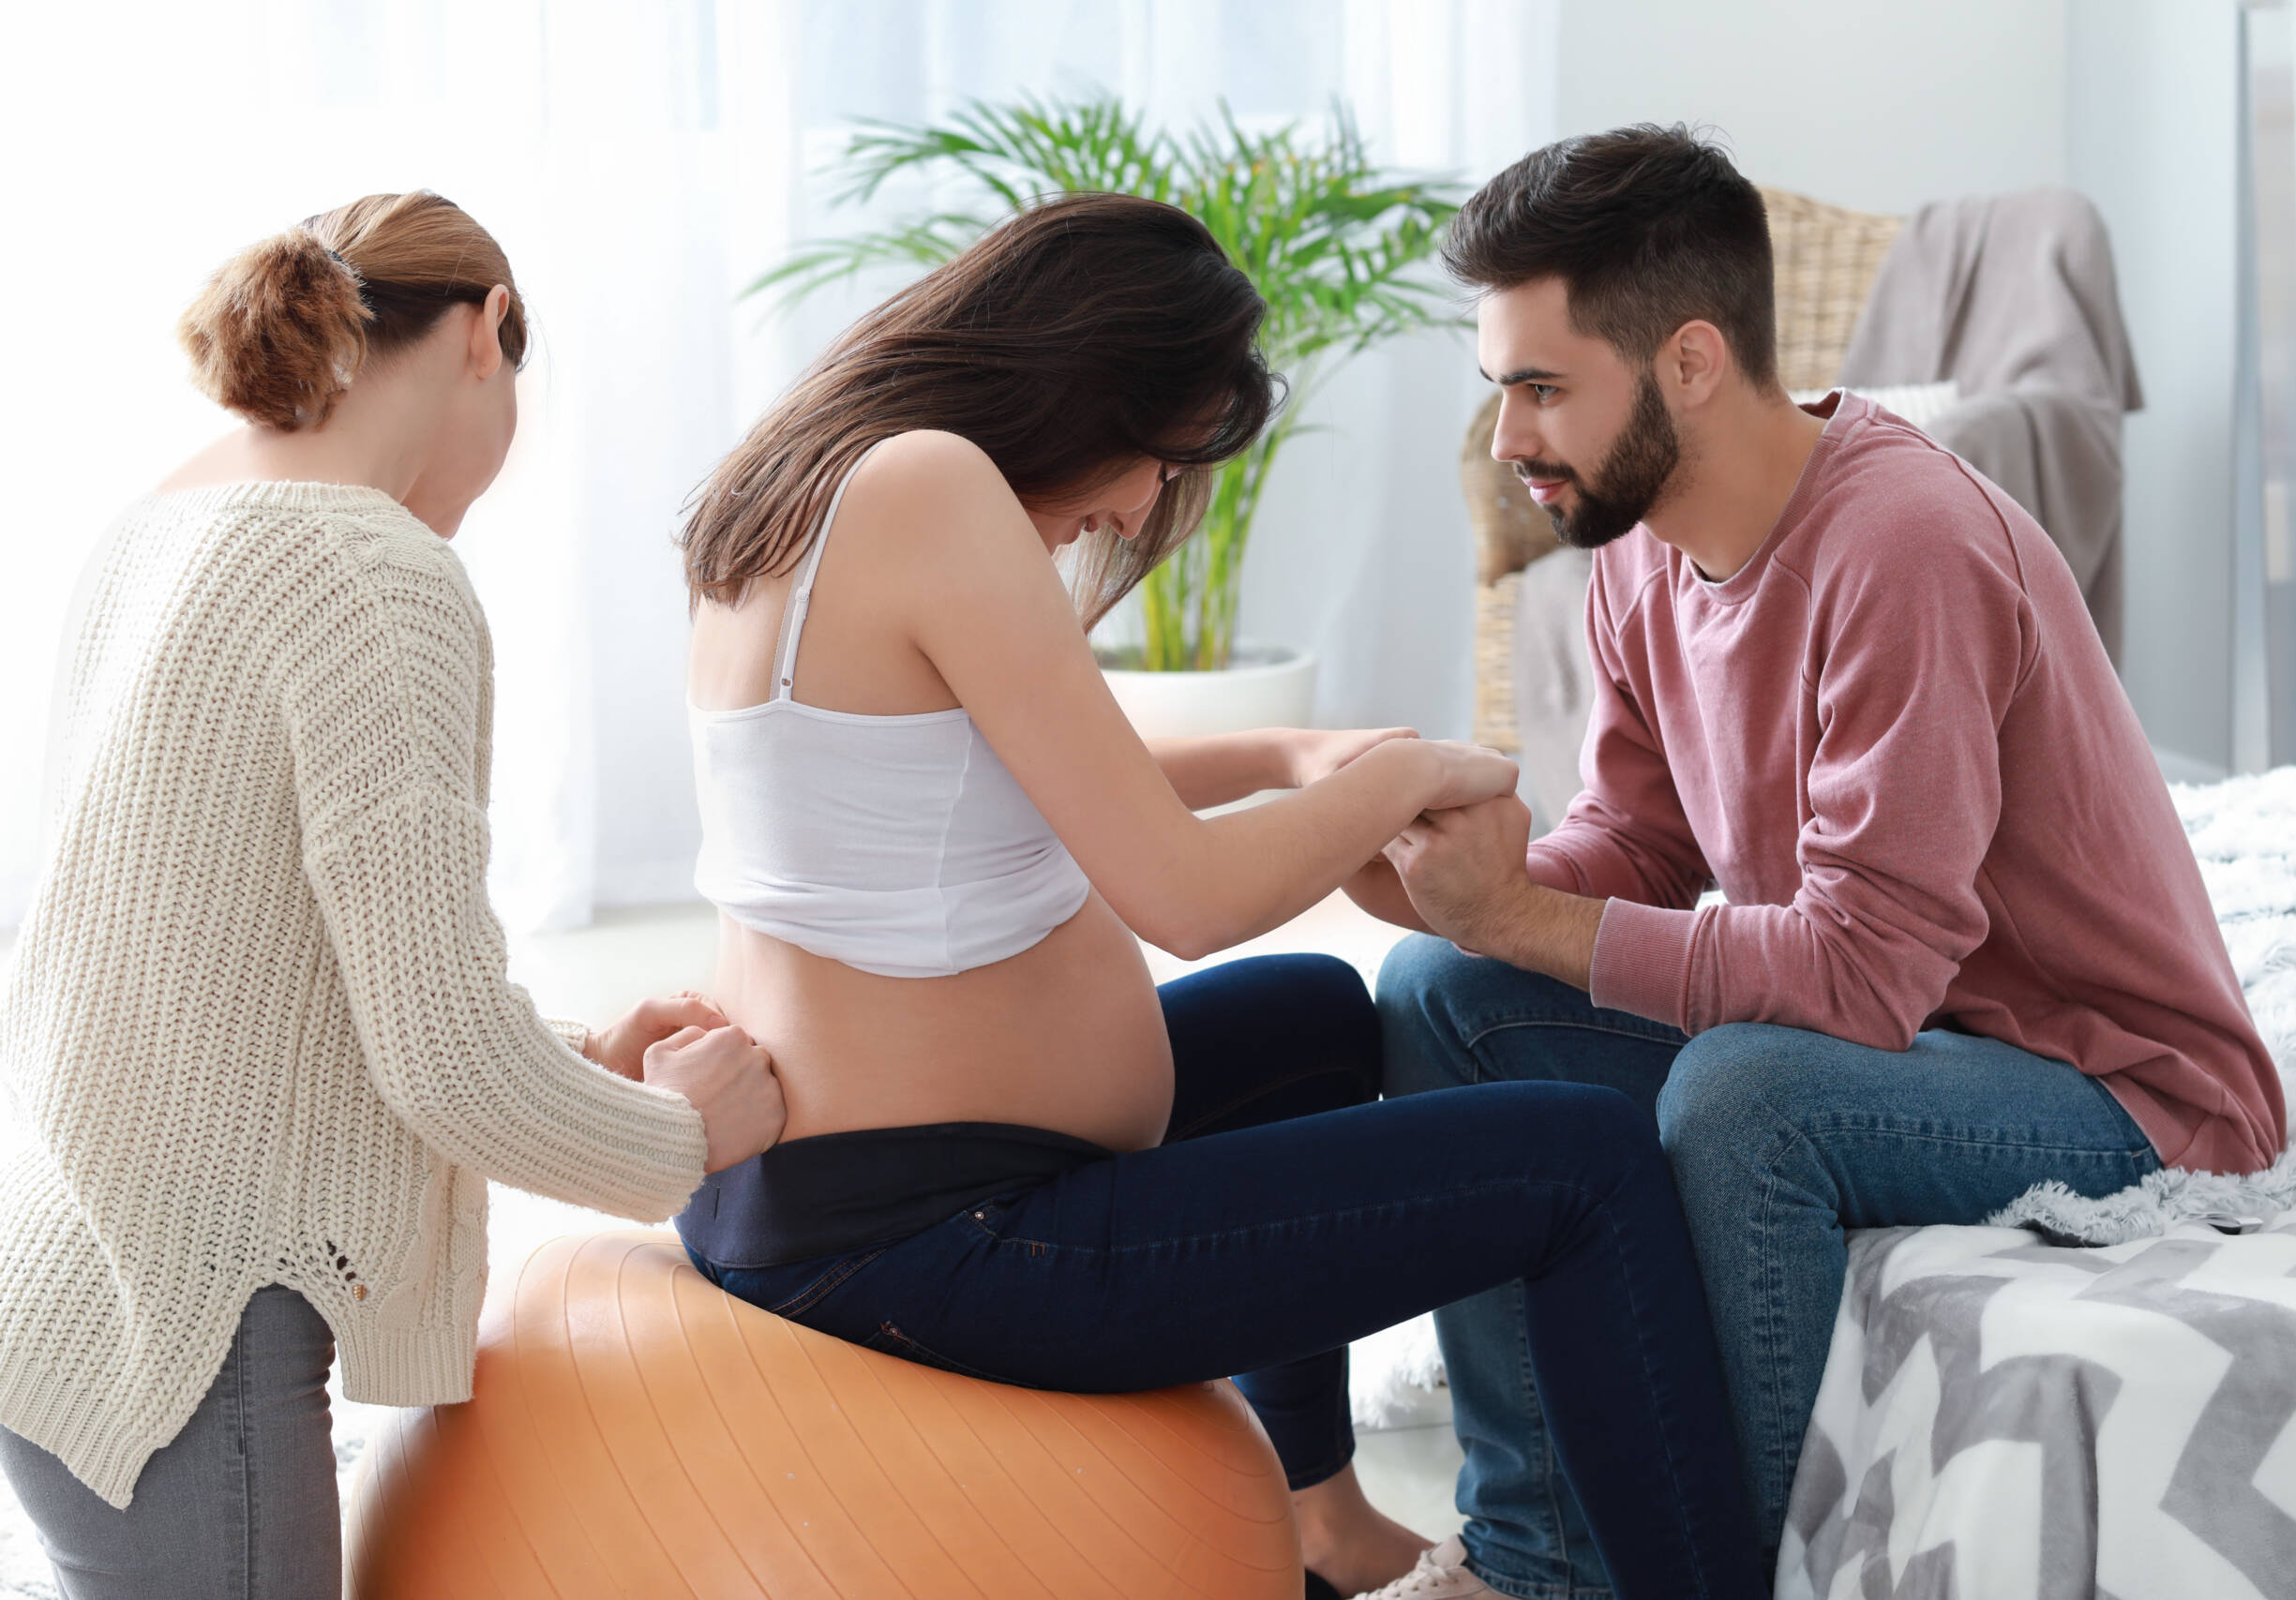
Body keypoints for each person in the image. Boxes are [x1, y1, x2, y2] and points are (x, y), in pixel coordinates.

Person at [673, 190, 1763, 1600]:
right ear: (1083, 378)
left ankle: (1313, 1519)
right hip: (938, 1240)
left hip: (833, 1194)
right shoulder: (928, 487)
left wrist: (1286, 754)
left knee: (1317, 1015)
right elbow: (1179, 898)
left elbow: (1012, 761)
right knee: (1581, 1164)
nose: (1139, 509)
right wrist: (1402, 779)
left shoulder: (819, 481)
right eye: (1161, 455)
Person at [1351, 127, 2284, 1599]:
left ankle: (1721, 1571)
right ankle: (1532, 1560)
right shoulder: (1640, 558)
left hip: (2113, 1078)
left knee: (1745, 1095)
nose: (1507, 437)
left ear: (1691, 363)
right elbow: (1646, 847)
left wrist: (1528, 914)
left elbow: (1857, 975)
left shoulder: (1904, 546)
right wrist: (1459, 884)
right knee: (1437, 987)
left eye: (1541, 387)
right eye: (1500, 389)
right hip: (1918, 1033)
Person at [0, 192, 788, 1600]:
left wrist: (568, 1066)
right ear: (487, 331)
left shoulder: (155, 529)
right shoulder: (373, 573)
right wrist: (677, 1138)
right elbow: (434, 1055)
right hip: (193, 1353)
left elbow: (257, 976)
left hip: (61, 1287)